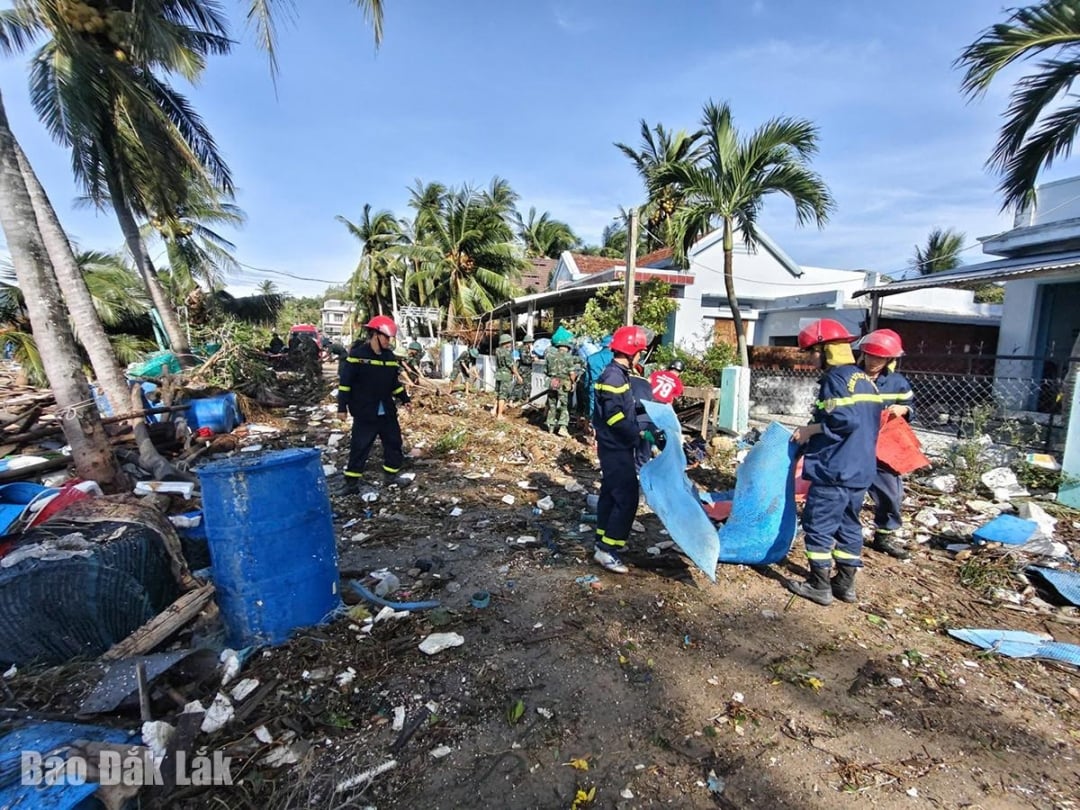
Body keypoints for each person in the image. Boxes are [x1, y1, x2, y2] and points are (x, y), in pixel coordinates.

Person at [788, 318, 882, 606]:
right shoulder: (864, 379)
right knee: (849, 526)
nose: (810, 359)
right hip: (860, 469)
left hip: (835, 468)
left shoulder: (836, 380)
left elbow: (844, 420)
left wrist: (808, 431)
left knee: (818, 525)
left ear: (824, 349)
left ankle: (819, 585)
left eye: (811, 352)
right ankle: (845, 583)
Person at [592, 324, 651, 573]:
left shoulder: (618, 374)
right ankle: (608, 551)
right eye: (641, 351)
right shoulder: (614, 377)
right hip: (616, 447)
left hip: (615, 446)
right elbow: (615, 417)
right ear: (632, 352)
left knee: (610, 494)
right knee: (626, 499)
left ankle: (603, 541)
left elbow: (622, 410)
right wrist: (637, 433)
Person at [858, 328, 916, 560]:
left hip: (883, 446)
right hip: (853, 444)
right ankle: (840, 531)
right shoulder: (849, 377)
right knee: (846, 491)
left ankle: (884, 535)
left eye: (880, 358)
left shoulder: (897, 383)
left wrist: (904, 410)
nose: (874, 362)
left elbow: (912, 408)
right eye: (871, 356)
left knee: (891, 493)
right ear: (863, 354)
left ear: (889, 359)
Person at [337, 315, 411, 493]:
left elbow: (394, 384)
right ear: (376, 334)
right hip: (365, 411)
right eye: (386, 337)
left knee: (394, 443)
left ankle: (391, 476)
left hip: (386, 410)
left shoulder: (389, 357)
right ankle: (351, 483)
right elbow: (345, 384)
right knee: (360, 446)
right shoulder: (357, 356)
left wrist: (405, 399)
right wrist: (342, 408)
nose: (389, 341)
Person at [544, 329, 578, 436]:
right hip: (564, 383)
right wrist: (573, 383)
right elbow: (572, 373)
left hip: (552, 381)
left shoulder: (550, 356)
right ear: (567, 347)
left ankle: (550, 426)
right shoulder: (568, 357)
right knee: (564, 406)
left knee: (552, 404)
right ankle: (563, 427)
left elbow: (545, 371)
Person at [492, 333, 522, 419]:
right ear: (506, 343)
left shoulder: (497, 351)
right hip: (505, 375)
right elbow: (511, 366)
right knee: (503, 395)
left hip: (498, 374)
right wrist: (518, 376)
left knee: (498, 393)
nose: (510, 344)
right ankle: (500, 414)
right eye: (509, 342)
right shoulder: (507, 353)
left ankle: (494, 410)